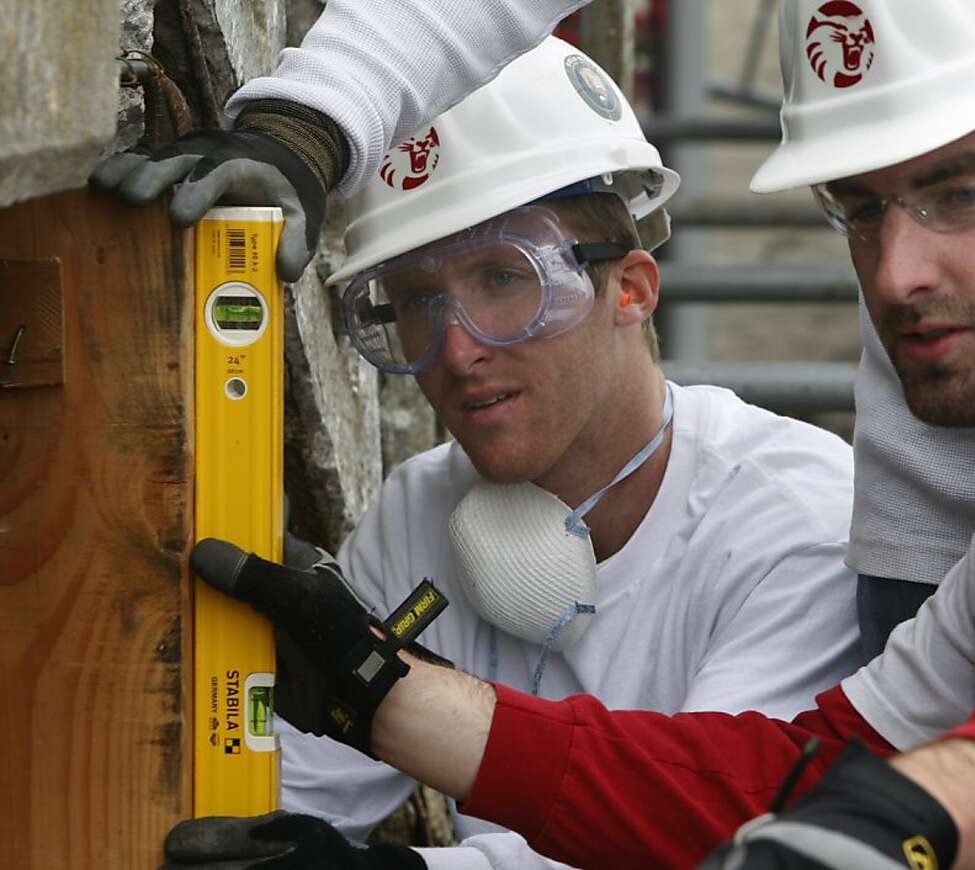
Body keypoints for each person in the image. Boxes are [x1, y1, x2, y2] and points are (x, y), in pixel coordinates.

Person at [179, 2, 975, 868]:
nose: (896, 276)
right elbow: (783, 782)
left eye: (963, 192)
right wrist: (383, 698)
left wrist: (930, 813)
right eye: (858, 207)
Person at [163, 35, 862, 870]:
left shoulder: (801, 525)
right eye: (417, 299)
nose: (456, 351)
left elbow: (717, 834)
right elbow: (289, 802)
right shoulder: (421, 511)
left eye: (505, 277)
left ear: (631, 288)